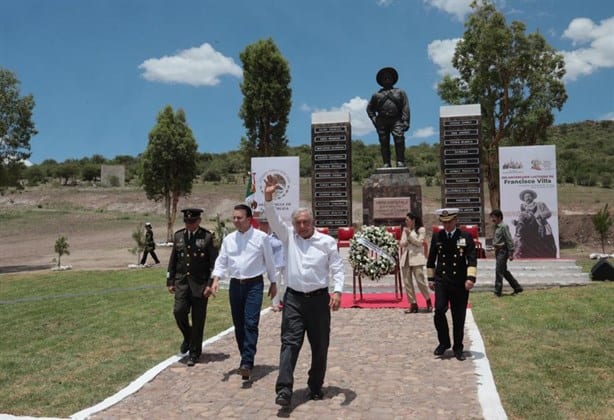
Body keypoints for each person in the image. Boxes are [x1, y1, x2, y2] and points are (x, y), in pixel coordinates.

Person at [263, 174, 345, 407]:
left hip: (319, 301)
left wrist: (337, 291)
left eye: (305, 222)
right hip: (294, 300)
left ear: (312, 222)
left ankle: (316, 385)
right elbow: (273, 217)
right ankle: (284, 389)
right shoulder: (288, 237)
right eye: (297, 222)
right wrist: (269, 196)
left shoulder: (327, 242)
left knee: (320, 346)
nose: (301, 226)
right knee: (290, 343)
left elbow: (337, 269)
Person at [210, 204, 277, 381]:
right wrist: (216, 279)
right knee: (239, 324)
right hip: (235, 286)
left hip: (254, 284)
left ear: (249, 219)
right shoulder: (229, 239)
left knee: (250, 322)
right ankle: (245, 358)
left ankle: (247, 361)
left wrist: (274, 282)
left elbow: (270, 261)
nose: (236, 221)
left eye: (239, 218)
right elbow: (222, 261)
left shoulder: (261, 238)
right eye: (234, 218)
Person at [167, 208, 218, 367]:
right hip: (182, 283)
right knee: (178, 311)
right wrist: (170, 281)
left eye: (192, 221)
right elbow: (173, 260)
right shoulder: (178, 236)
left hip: (200, 285)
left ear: (198, 221)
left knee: (198, 320)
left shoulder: (207, 237)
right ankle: (189, 338)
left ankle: (194, 353)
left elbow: (214, 265)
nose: (189, 224)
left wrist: (210, 285)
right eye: (187, 222)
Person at [426, 208, 477, 361]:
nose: (446, 225)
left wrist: (471, 278)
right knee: (439, 311)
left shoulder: (465, 236)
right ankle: (444, 342)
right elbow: (431, 259)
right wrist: (431, 278)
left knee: (458, 316)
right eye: (444, 222)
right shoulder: (438, 236)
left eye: (449, 222)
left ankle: (458, 347)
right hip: (442, 280)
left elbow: (471, 259)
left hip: (459, 282)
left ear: (456, 221)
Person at [366, 66, 410, 168]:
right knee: (384, 142)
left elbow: (405, 107)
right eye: (385, 78)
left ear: (393, 80)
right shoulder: (376, 95)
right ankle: (386, 162)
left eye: (389, 78)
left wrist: (406, 121)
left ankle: (400, 161)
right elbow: (369, 109)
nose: (387, 79)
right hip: (381, 121)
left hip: (396, 120)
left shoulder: (400, 92)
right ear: (381, 81)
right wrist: (374, 119)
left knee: (399, 139)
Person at [400, 212, 432, 313]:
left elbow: (419, 243)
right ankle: (413, 304)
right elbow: (401, 243)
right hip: (406, 258)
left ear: (413, 220)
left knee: (420, 280)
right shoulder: (405, 230)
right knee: (407, 282)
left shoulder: (421, 230)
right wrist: (405, 240)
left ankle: (428, 300)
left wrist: (410, 236)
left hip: (416, 258)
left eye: (407, 220)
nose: (406, 222)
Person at [514, 189, 557, 258]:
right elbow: (523, 219)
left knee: (547, 239)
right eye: (526, 197)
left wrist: (541, 215)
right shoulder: (523, 207)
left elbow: (548, 213)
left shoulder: (540, 204)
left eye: (529, 196)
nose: (527, 198)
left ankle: (549, 252)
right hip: (528, 229)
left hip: (541, 225)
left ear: (532, 197)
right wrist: (517, 222)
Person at [490, 209, 523, 296]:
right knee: (504, 271)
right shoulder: (496, 227)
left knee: (499, 271)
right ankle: (517, 287)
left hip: (503, 251)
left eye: (494, 217)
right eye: (492, 217)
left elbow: (509, 239)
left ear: (499, 217)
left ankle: (497, 291)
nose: (492, 219)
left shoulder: (504, 226)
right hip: (498, 251)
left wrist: (511, 252)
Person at [258, 217, 286, 312]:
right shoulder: (269, 239)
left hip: (286, 263)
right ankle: (275, 304)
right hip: (276, 264)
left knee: (287, 283)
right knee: (276, 284)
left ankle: (286, 301)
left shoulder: (285, 237)